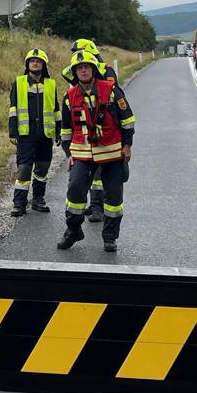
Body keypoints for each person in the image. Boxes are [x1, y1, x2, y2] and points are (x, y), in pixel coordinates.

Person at [57, 49, 135, 253]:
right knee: (74, 190)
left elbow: (127, 120)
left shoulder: (112, 90)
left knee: (114, 198)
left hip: (112, 153)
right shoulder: (69, 97)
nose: (83, 71)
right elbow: (66, 130)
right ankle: (73, 231)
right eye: (79, 68)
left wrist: (127, 145)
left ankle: (110, 237)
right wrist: (69, 155)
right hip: (82, 154)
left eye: (86, 67)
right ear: (75, 72)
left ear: (93, 69)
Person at [60, 39, 116, 220]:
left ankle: (97, 207)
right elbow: (68, 80)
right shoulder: (79, 70)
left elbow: (111, 94)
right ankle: (91, 207)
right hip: (83, 131)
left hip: (103, 131)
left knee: (99, 175)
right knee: (83, 177)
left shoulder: (106, 70)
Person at [7, 47, 60, 216]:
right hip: (26, 134)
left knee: (42, 168)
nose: (35, 63)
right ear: (27, 64)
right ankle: (19, 204)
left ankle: (38, 199)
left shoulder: (51, 84)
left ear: (44, 65)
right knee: (24, 169)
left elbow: (56, 109)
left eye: (38, 61)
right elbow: (13, 109)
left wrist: (59, 130)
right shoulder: (19, 82)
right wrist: (12, 130)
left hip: (45, 134)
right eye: (32, 61)